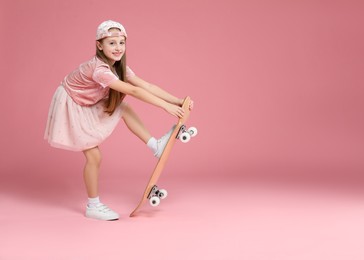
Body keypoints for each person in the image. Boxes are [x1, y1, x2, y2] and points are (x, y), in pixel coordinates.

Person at [44, 20, 193, 221]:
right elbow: (133, 90)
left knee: (123, 107)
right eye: (111, 43)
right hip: (71, 104)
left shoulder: (118, 67)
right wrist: (165, 107)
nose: (117, 48)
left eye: (121, 43)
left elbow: (145, 85)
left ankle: (156, 146)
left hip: (86, 101)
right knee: (94, 156)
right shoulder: (100, 70)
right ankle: (93, 206)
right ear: (99, 45)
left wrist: (177, 100)